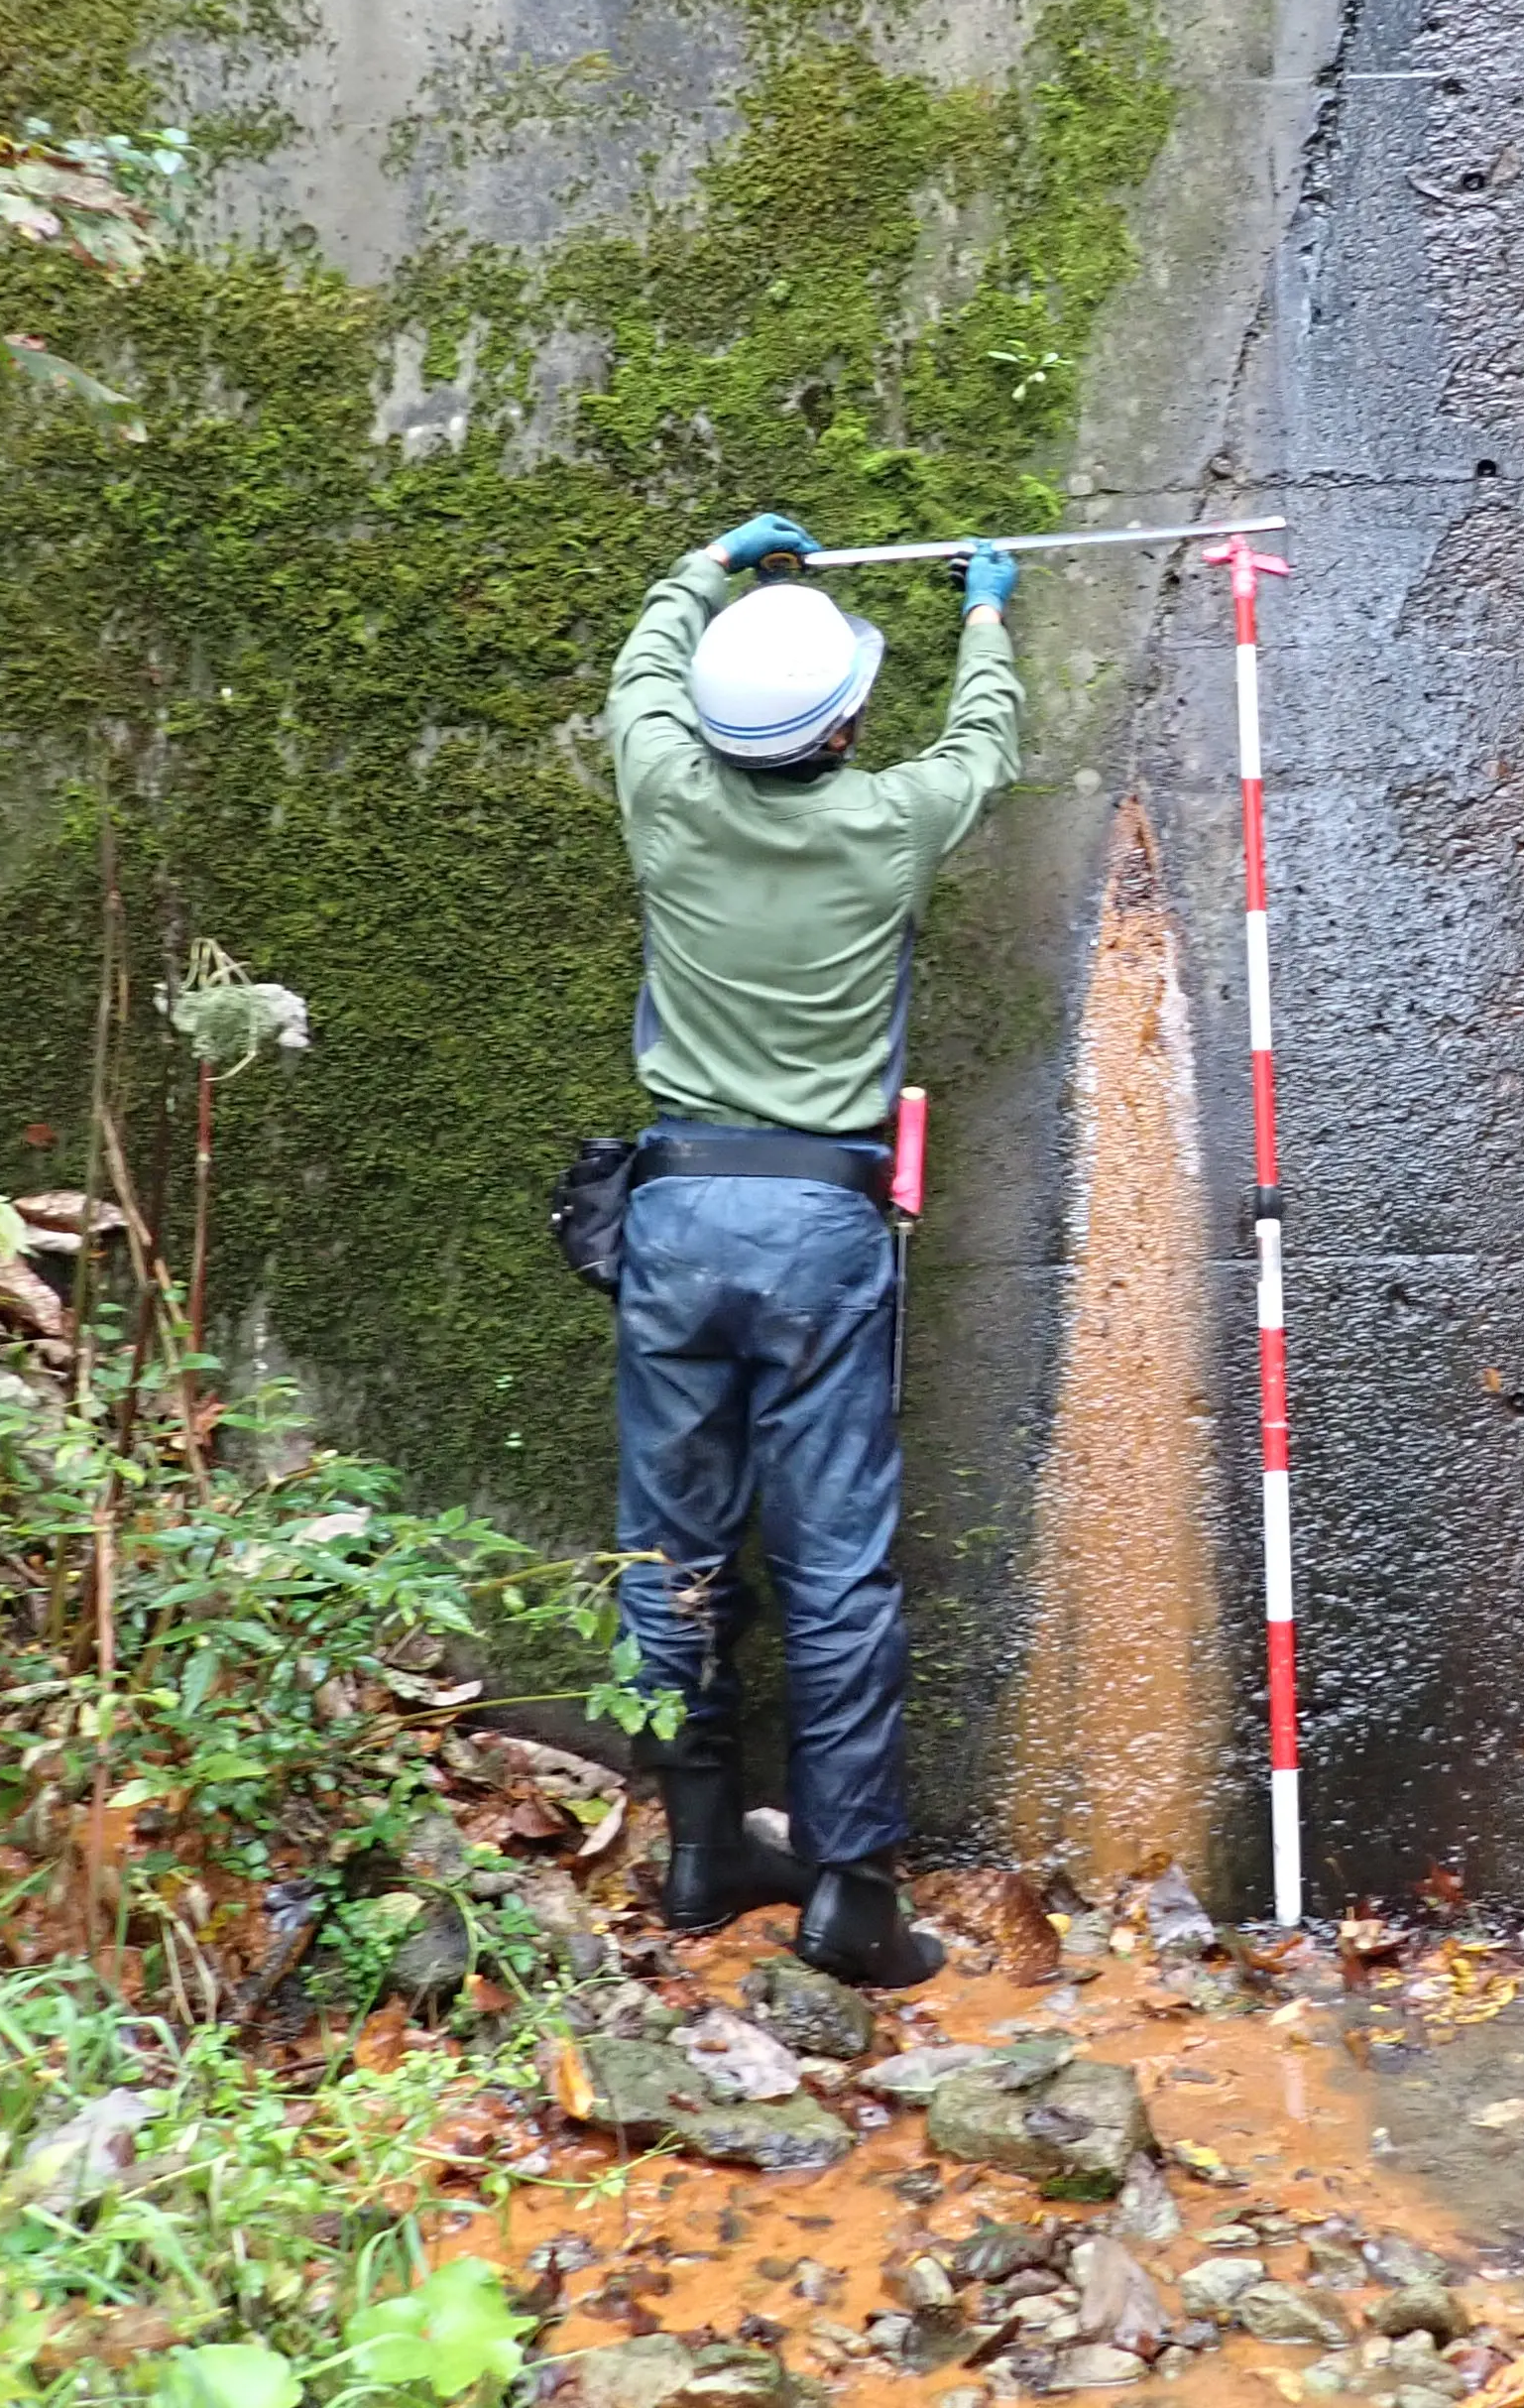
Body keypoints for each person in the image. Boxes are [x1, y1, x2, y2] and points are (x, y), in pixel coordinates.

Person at [599, 510, 1021, 1987]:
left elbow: (642, 670)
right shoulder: (890, 820)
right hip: (822, 1231)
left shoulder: (663, 791)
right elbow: (984, 751)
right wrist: (984, 619)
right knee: (835, 1562)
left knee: (672, 1549)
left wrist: (714, 567)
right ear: (845, 723)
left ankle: (702, 1850)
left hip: (675, 1214)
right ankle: (850, 1892)